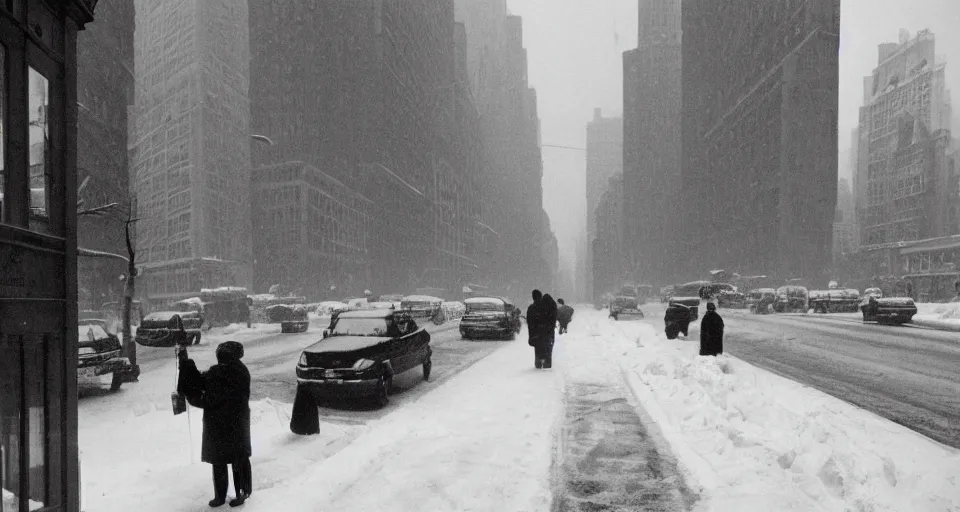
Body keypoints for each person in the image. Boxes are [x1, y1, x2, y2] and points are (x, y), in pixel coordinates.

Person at [177, 341, 252, 507]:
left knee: (223, 460)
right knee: (235, 459)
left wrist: (187, 372)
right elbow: (202, 381)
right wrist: (187, 365)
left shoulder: (226, 373)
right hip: (233, 423)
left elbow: (206, 394)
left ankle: (227, 495)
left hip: (226, 423)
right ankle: (239, 492)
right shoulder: (237, 370)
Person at [539, 294, 558, 369]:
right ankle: (548, 363)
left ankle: (540, 361)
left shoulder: (541, 306)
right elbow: (554, 317)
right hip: (550, 330)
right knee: (549, 347)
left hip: (542, 330)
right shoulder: (553, 306)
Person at [526, 290, 544, 368]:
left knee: (537, 348)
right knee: (544, 346)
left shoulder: (531, 308)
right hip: (544, 331)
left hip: (535, 332)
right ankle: (545, 361)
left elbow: (529, 321)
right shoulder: (544, 307)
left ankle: (538, 362)